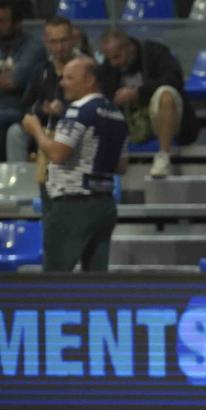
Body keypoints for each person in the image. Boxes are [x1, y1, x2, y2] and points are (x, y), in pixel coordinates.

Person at [21, 57, 128, 272]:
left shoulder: (77, 111)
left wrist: (36, 130)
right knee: (95, 280)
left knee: (55, 276)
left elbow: (58, 155)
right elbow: (121, 166)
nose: (62, 83)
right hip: (105, 204)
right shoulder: (117, 115)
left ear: (89, 80)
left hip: (73, 206)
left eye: (69, 78)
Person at [98, 28, 199, 178]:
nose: (114, 63)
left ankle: (163, 156)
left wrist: (138, 92)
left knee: (165, 93)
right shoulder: (109, 66)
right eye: (109, 58)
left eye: (117, 57)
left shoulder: (155, 52)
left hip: (166, 116)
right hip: (133, 123)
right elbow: (105, 95)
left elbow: (175, 80)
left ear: (130, 47)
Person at [7, 16, 78, 170]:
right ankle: (20, 185)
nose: (59, 47)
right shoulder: (42, 70)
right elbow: (24, 107)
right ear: (46, 42)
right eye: (53, 42)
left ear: (73, 39)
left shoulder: (85, 68)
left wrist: (64, 109)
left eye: (63, 40)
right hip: (44, 127)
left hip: (74, 127)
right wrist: (41, 109)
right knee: (15, 132)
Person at [0, 0, 45, 160]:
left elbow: (14, 81)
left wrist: (9, 80)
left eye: (2, 21)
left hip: (19, 108)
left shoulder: (33, 46)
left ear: (17, 22)